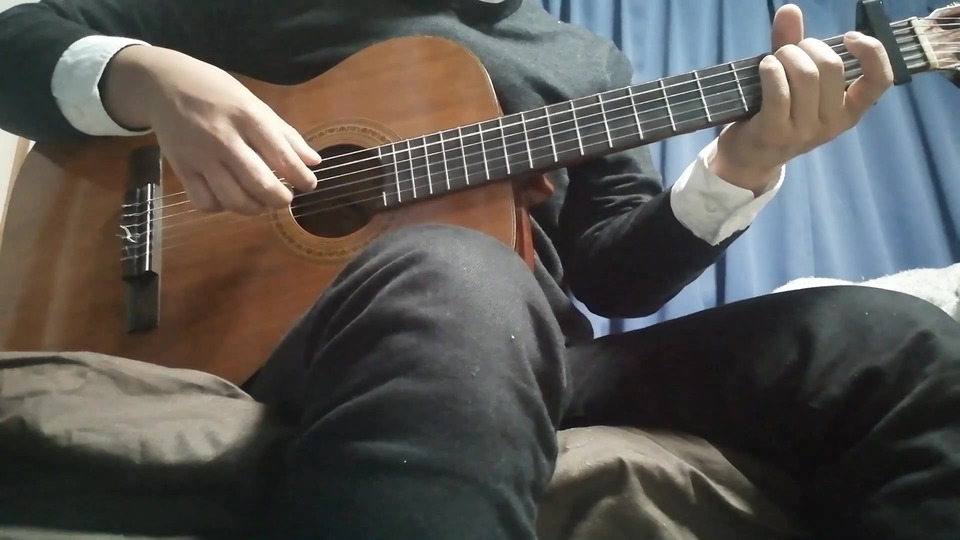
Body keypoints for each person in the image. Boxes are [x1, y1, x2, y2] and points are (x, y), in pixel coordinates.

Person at [0, 1, 957, 539]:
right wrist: (149, 78)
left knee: (897, 340)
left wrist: (742, 164)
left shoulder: (585, 62)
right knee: (457, 268)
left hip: (519, 352)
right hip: (308, 328)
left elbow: (618, 277)